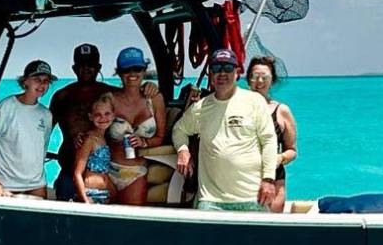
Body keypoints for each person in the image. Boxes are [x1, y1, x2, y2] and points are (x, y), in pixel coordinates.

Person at [172, 47, 277, 211]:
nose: (222, 73)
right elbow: (179, 130)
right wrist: (183, 150)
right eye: (216, 68)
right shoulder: (200, 107)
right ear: (210, 74)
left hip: (253, 197)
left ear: (237, 73)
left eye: (228, 68)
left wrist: (269, 179)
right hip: (211, 201)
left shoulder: (255, 101)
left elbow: (269, 141)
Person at [0, 58, 55, 198]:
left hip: (37, 184)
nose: (42, 84)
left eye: (46, 80)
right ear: (25, 81)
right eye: (37, 79)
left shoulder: (46, 114)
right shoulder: (7, 106)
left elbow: (43, 148)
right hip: (6, 184)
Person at [49, 43, 114, 200]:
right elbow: (44, 133)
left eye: (91, 65)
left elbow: (133, 103)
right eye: (81, 65)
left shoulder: (111, 95)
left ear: (98, 67)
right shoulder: (62, 97)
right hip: (69, 172)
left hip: (102, 176)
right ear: (74, 68)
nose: (86, 69)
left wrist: (149, 87)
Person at [105, 46, 167, 207]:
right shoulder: (109, 99)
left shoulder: (155, 99)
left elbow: (160, 137)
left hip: (136, 172)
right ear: (119, 73)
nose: (132, 74)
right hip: (106, 170)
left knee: (129, 224)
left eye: (137, 69)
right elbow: (96, 132)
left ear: (144, 70)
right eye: (127, 70)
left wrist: (144, 143)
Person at [246, 55, 298, 212]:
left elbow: (292, 151)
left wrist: (280, 158)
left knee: (270, 226)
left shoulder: (281, 111)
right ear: (248, 79)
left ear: (272, 80)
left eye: (265, 77)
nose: (259, 82)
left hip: (274, 179)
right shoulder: (237, 107)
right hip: (244, 177)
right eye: (255, 77)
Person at [71, 94, 117, 204]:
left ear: (113, 115)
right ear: (90, 117)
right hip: (91, 194)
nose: (103, 118)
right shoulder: (89, 140)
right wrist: (85, 200)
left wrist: (114, 193)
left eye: (107, 114)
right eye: (98, 115)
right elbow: (77, 173)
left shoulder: (104, 139)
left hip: (105, 194)